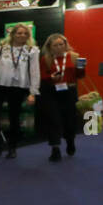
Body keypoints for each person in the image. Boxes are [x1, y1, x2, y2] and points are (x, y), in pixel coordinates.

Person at [0, 23, 39, 159]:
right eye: (19, 33)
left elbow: (35, 72)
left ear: (28, 36)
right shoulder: (1, 49)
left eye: (25, 33)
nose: (22, 35)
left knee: (14, 117)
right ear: (12, 34)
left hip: (18, 88)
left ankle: (12, 147)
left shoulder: (31, 50)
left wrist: (33, 92)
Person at [38, 33, 79, 162]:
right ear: (50, 47)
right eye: (55, 45)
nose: (59, 47)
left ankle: (70, 141)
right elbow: (42, 76)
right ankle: (55, 148)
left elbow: (80, 76)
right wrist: (51, 78)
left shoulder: (74, 57)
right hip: (51, 93)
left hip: (69, 91)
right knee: (53, 120)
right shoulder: (45, 59)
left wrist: (82, 68)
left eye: (61, 44)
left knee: (69, 120)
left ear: (66, 45)